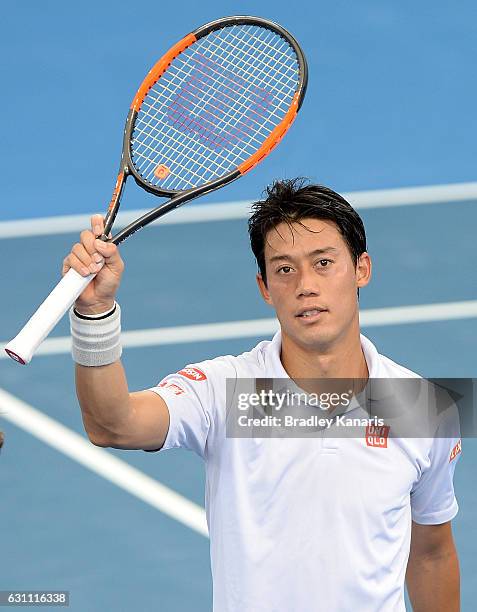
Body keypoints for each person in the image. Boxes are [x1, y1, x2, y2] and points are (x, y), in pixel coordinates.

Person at [64, 179, 461, 612]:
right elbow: (110, 424)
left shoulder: (423, 406)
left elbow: (431, 553)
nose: (306, 286)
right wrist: (94, 313)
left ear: (362, 268)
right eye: (285, 269)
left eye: (324, 262)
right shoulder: (225, 391)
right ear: (264, 287)